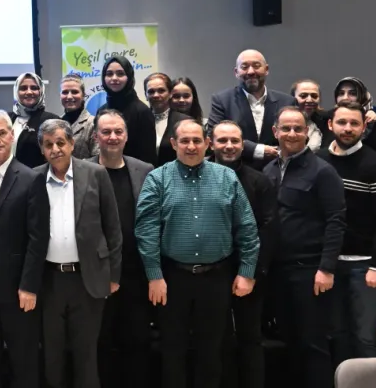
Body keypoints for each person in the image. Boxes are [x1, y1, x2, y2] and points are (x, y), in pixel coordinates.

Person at [137, 119, 259, 388]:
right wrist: (154, 275)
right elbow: (146, 230)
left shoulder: (226, 177)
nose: (191, 146)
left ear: (207, 143)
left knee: (212, 352)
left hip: (216, 278)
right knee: (172, 351)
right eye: (184, 141)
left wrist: (247, 272)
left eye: (196, 140)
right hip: (172, 279)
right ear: (173, 144)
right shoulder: (157, 178)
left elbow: (247, 227)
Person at [35, 118, 123, 388]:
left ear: (72, 144)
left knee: (86, 353)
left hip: (88, 278)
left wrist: (113, 276)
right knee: (52, 353)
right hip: (49, 280)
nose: (55, 149)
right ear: (42, 149)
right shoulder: (34, 178)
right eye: (48, 144)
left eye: (60, 142)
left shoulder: (96, 174)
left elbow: (113, 229)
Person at [262, 107, 345, 388]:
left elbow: (336, 221)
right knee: (288, 339)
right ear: (275, 132)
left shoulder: (323, 171)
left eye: (298, 128)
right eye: (286, 128)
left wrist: (326, 268)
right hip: (278, 271)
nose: (292, 133)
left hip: (310, 271)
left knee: (314, 342)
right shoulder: (269, 170)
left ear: (307, 132)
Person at [315, 101, 376, 363]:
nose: (348, 128)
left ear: (364, 127)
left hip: (364, 266)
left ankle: (370, 381)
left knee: (364, 336)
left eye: (354, 123)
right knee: (336, 332)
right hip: (327, 265)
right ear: (330, 125)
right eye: (342, 122)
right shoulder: (317, 161)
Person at [0, 111, 49, 388]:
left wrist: (29, 286)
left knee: (23, 359)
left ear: (12, 135)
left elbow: (38, 238)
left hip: (17, 287)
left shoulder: (30, 178)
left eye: (1, 133)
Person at [89, 110, 154, 388]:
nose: (113, 137)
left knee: (137, 343)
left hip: (135, 273)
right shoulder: (82, 170)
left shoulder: (145, 170)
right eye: (106, 132)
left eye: (118, 131)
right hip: (95, 274)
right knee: (99, 343)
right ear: (96, 137)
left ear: (126, 136)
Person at [211, 121, 276, 388]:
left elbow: (268, 229)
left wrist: (252, 273)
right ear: (211, 143)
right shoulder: (197, 175)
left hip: (249, 272)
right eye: (222, 140)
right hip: (210, 272)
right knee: (216, 339)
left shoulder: (259, 180)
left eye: (235, 141)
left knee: (250, 337)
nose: (229, 146)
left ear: (242, 145)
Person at [208, 50, 295, 168]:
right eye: (244, 67)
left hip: (277, 171)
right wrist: (258, 150)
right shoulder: (222, 100)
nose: (250, 71)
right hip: (236, 170)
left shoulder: (287, 102)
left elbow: (295, 136)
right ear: (236, 72)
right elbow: (214, 137)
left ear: (266, 69)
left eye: (256, 66)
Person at [96, 55, 157, 164]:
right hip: (103, 171)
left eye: (120, 74)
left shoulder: (142, 112)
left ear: (129, 77)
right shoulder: (101, 111)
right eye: (109, 74)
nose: (114, 78)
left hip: (135, 173)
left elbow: (148, 156)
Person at [9, 72, 60, 169]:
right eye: (23, 88)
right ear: (16, 92)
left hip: (39, 176)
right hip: (8, 176)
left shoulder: (52, 120)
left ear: (41, 91)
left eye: (34, 88)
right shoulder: (7, 119)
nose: (29, 92)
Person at [332, 77, 376, 158]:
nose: (345, 98)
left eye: (353, 93)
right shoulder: (328, 120)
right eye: (341, 93)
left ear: (363, 97)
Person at [146, 72, 193, 166]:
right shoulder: (139, 119)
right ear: (146, 95)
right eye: (151, 91)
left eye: (161, 90)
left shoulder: (185, 121)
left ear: (170, 94)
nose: (156, 95)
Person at [59, 74, 95, 160]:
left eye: (74, 92)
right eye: (65, 92)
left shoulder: (93, 123)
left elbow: (98, 158)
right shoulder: (57, 122)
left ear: (83, 95)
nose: (69, 96)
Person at [290, 80, 326, 152]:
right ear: (292, 98)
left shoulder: (325, 122)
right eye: (303, 96)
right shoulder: (281, 121)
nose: (309, 100)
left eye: (314, 96)